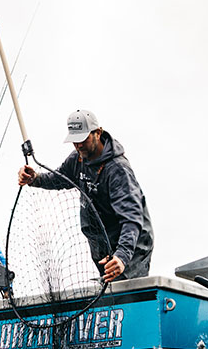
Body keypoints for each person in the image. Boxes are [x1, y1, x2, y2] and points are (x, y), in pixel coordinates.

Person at [18, 110, 153, 282]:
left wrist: (122, 256)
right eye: (74, 140)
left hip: (131, 243)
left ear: (98, 133)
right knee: (108, 291)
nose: (78, 145)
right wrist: (34, 179)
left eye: (83, 139)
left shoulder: (118, 170)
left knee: (125, 292)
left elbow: (132, 219)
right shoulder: (77, 159)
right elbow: (58, 179)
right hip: (103, 240)